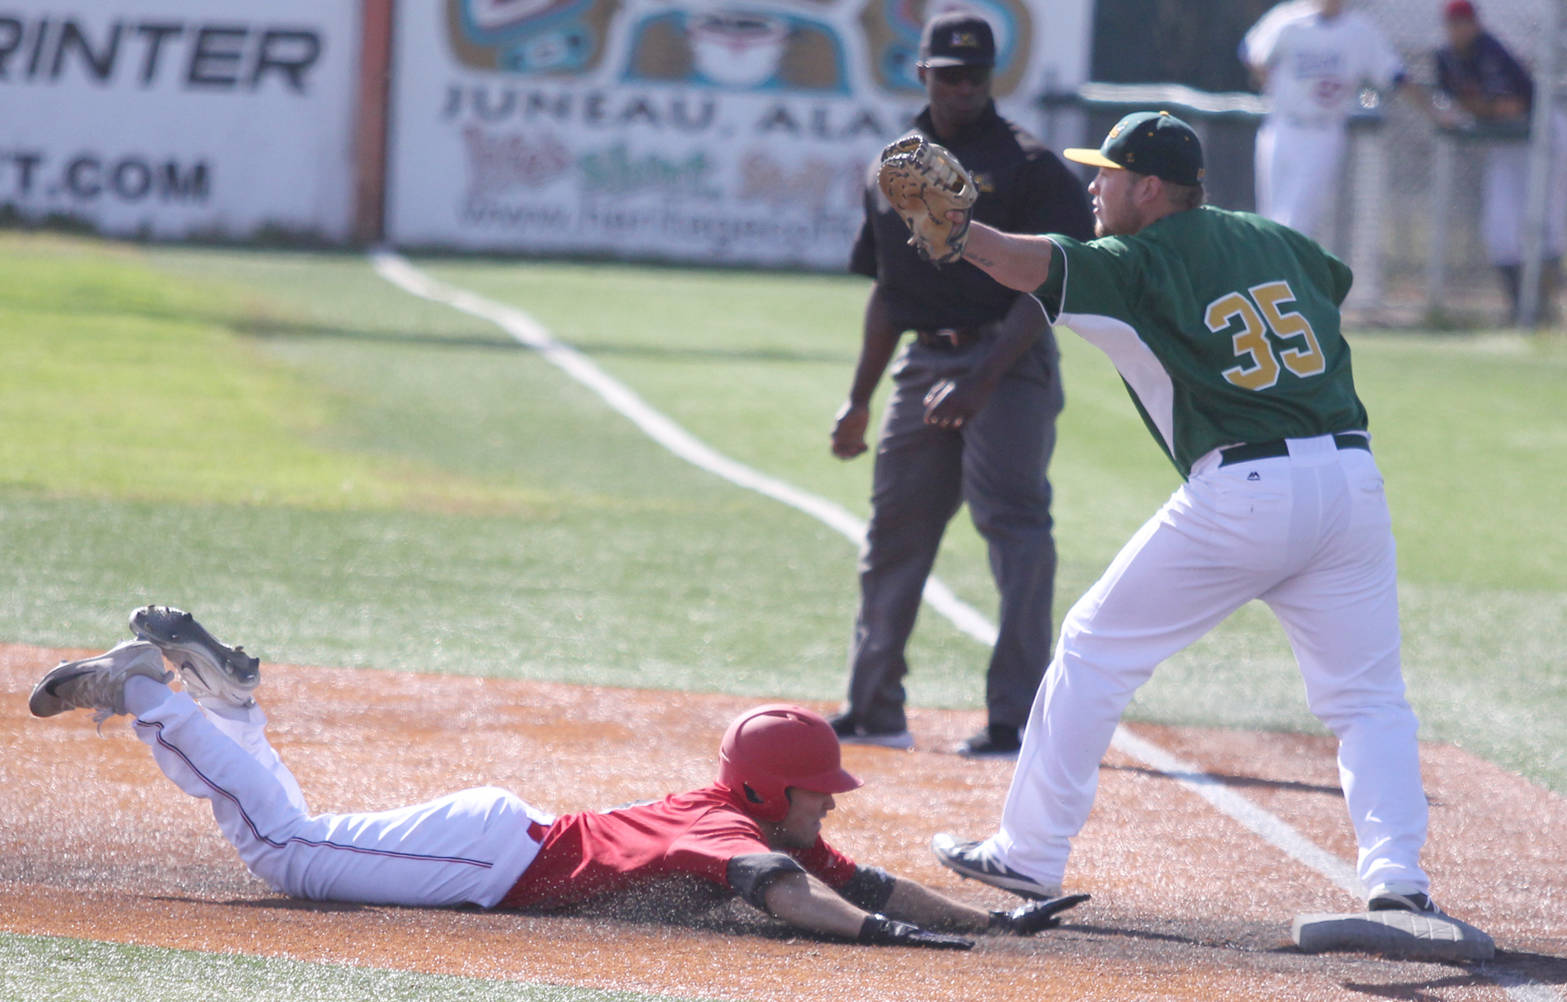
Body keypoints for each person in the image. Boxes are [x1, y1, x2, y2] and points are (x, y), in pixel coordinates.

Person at [912, 111, 1443, 917]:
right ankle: (1397, 880)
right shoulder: (1275, 237)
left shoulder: (1137, 260)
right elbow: (1329, 283)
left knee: (1092, 651)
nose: (1093, 186)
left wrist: (959, 231)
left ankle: (1028, 853)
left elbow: (1028, 265)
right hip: (1351, 483)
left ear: (1148, 188)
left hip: (1243, 490)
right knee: (1367, 699)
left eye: (1108, 174)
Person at [28, 605, 1087, 946]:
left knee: (300, 837)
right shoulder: (728, 837)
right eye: (817, 790)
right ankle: (149, 698)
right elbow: (793, 899)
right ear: (771, 791)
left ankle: (226, 702)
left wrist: (981, 924)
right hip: (492, 857)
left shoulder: (753, 815)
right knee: (291, 853)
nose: (829, 801)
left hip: (496, 842)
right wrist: (892, 945)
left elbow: (854, 882)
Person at [830, 10, 1093, 757]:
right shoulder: (894, 169)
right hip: (923, 359)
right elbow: (886, 290)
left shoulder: (1030, 167)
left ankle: (1015, 717)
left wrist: (982, 378)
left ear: (993, 76)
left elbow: (1050, 285)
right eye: (949, 73)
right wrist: (858, 398)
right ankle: (874, 705)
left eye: (976, 73)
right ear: (923, 73)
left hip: (1008, 362)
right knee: (892, 531)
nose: (964, 85)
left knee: (1013, 528)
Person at [1434, 0, 1566, 323]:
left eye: (1465, 22)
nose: (1459, 29)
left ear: (1476, 24)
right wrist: (1475, 108)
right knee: (1500, 229)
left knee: (1545, 224)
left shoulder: (1489, 50)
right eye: (1453, 23)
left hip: (1542, 135)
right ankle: (1521, 310)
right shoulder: (1444, 56)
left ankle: (1548, 310)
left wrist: (1472, 108)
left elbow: (1511, 106)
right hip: (1505, 145)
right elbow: (1445, 103)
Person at [1241, 0, 1412, 239]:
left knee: (1294, 224)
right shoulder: (1289, 19)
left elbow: (1396, 75)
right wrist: (1265, 77)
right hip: (1281, 126)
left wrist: (1434, 109)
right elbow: (1250, 50)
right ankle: (1273, 273)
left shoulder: (1359, 31)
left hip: (1323, 131)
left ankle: (1285, 273)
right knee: (1269, 220)